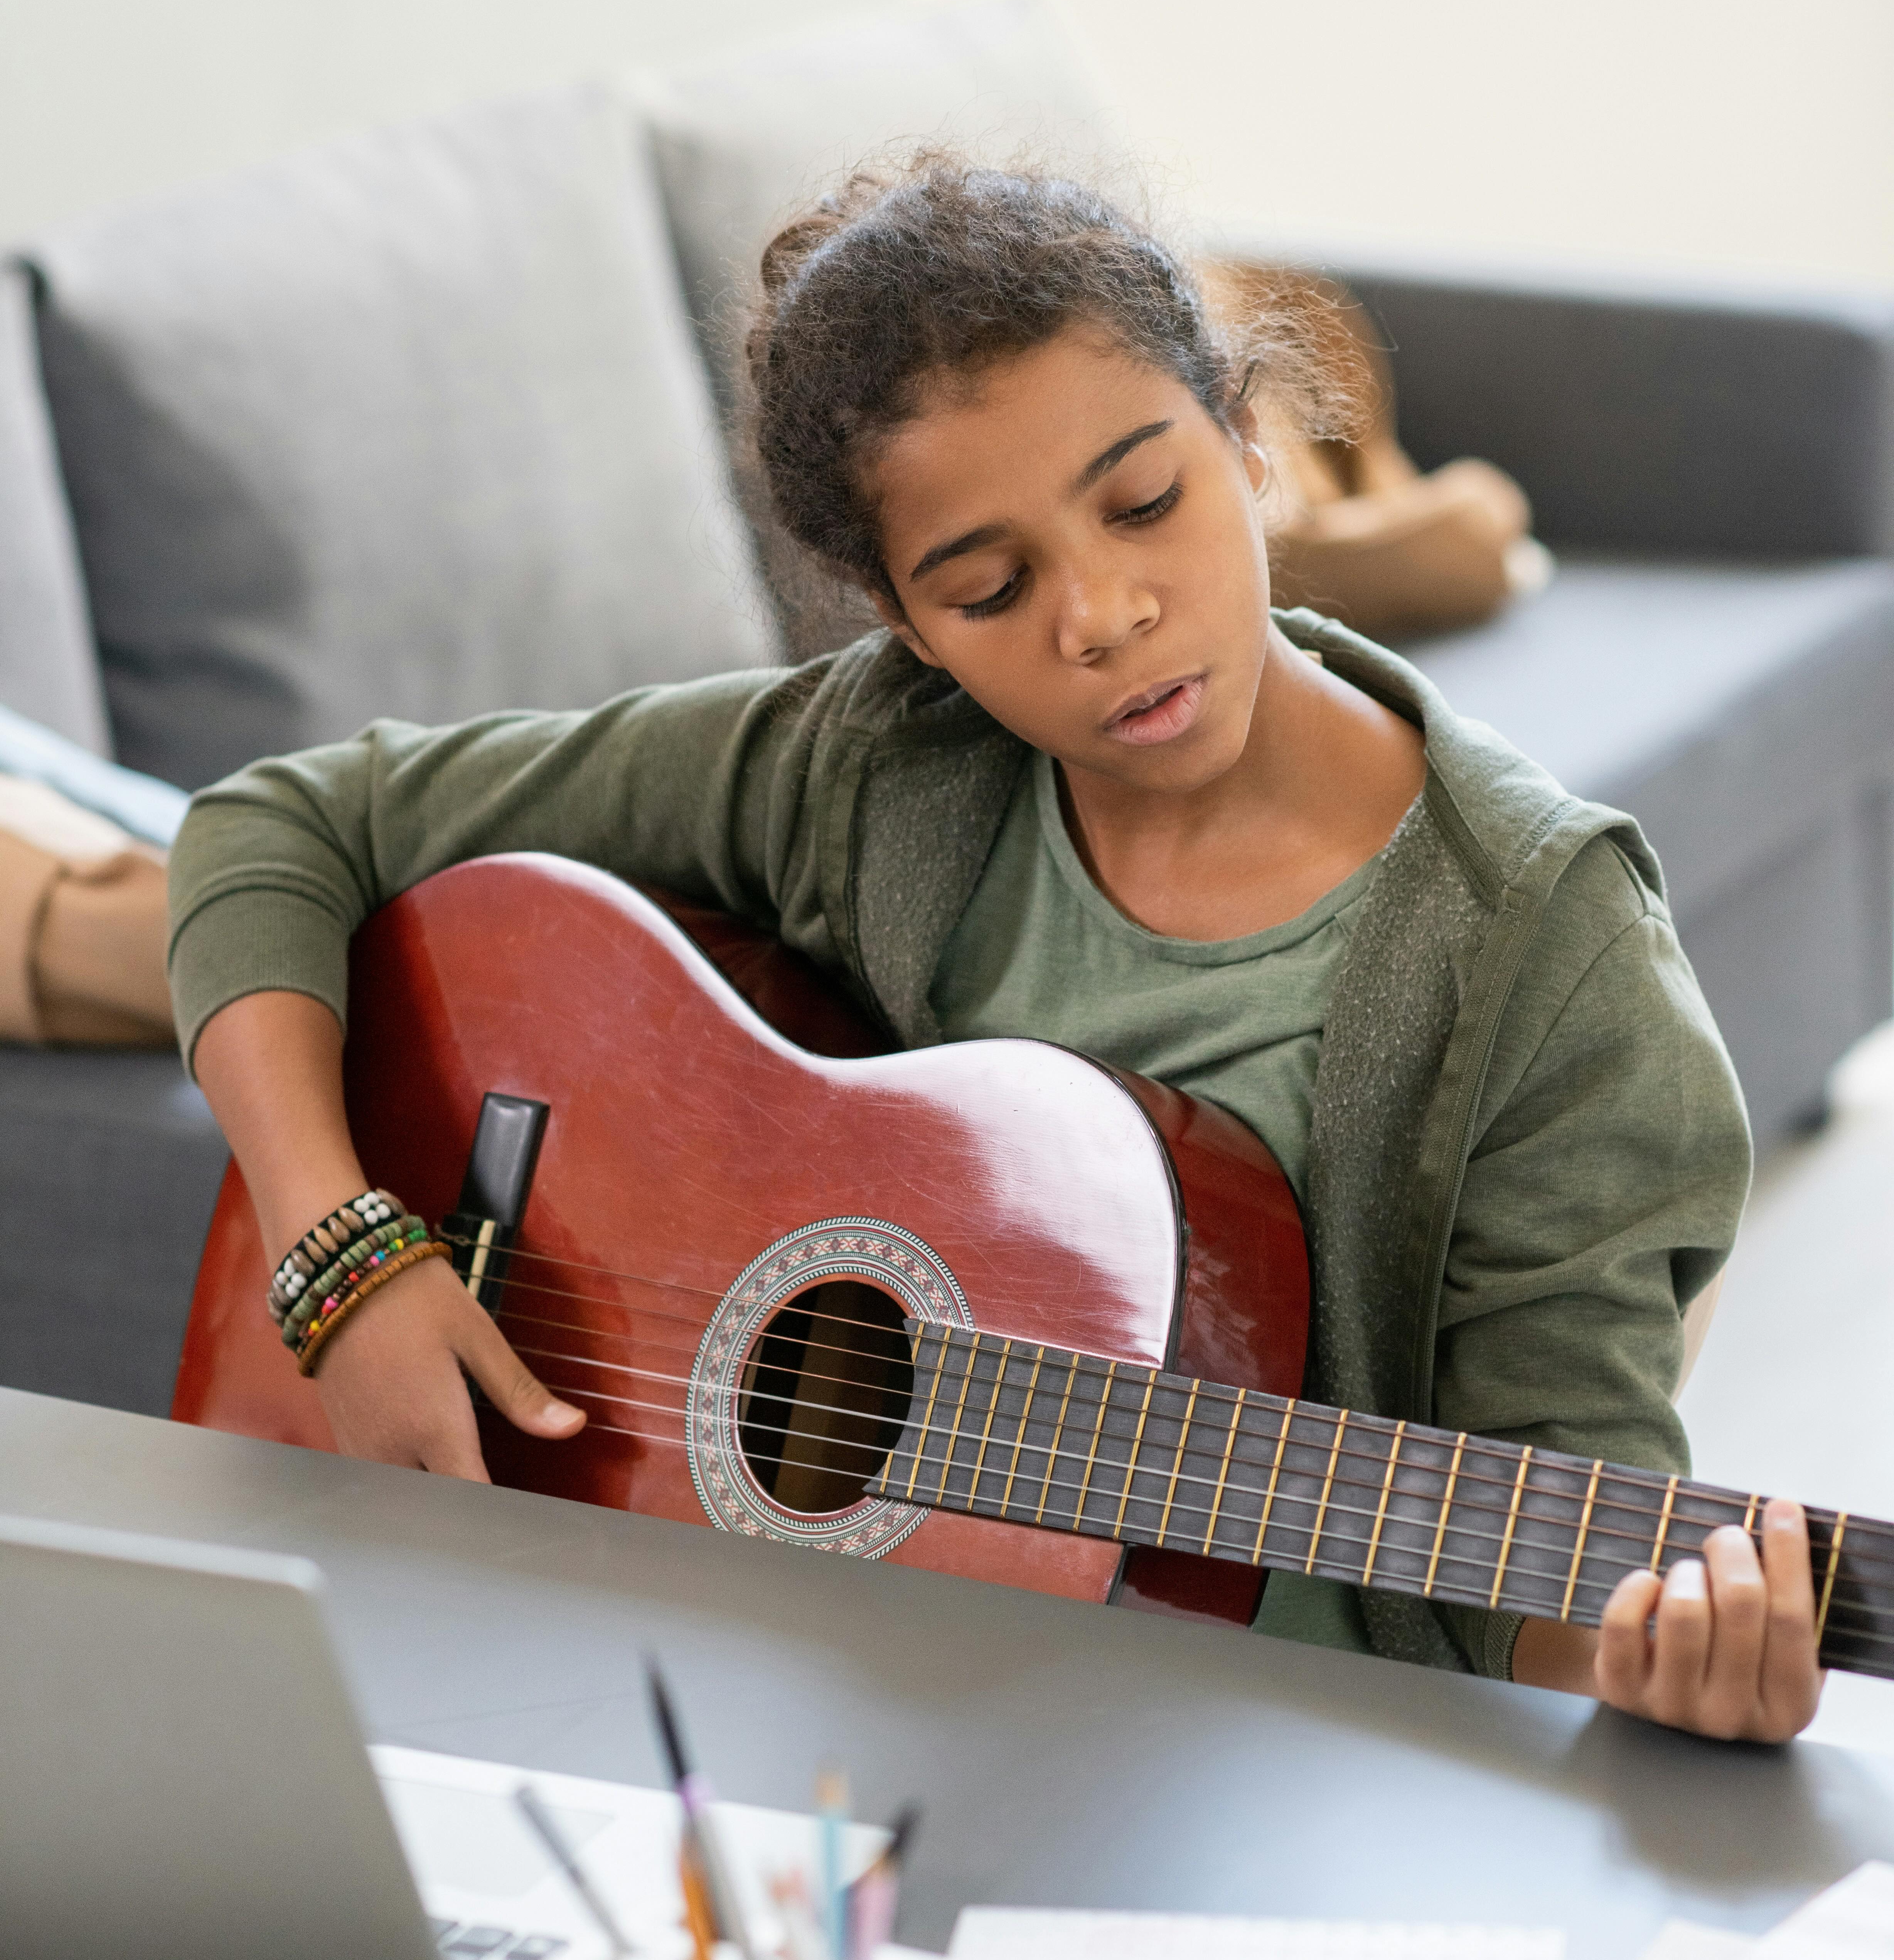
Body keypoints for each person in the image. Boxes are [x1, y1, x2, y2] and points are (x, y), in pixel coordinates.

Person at [169, 159, 1822, 1745]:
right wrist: (342, 1256)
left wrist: (1653, 1657)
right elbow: (284, 824)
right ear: (904, 627)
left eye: (1146, 500)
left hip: (1258, 1751)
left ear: (1249, 442)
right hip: (774, 1672)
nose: (1099, 613)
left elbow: (1560, 1563)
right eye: (986, 585)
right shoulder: (874, 762)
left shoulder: (1546, 954)